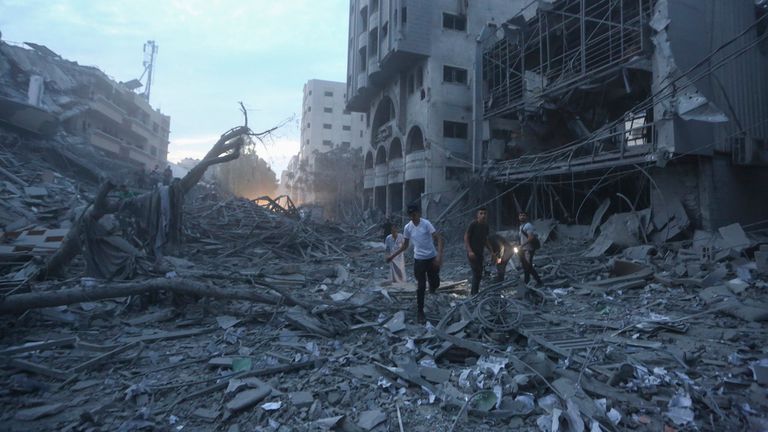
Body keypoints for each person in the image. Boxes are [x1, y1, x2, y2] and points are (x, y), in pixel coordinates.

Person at [386, 204, 443, 324]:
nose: (413, 216)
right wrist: (392, 256)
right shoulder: (408, 228)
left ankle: (433, 286)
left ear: (419, 213)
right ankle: (420, 312)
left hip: (431, 258)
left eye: (415, 214)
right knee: (421, 286)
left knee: (435, 282)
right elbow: (405, 246)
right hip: (419, 260)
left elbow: (438, 238)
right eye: (411, 215)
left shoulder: (426, 224)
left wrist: (439, 256)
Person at [464, 207, 491, 295]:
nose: (483, 215)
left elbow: (485, 240)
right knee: (476, 273)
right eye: (481, 213)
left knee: (479, 274)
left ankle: (475, 293)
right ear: (477, 215)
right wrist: (469, 251)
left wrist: (492, 251)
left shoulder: (486, 226)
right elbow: (466, 237)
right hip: (472, 253)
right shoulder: (473, 224)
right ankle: (474, 295)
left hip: (480, 253)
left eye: (485, 213)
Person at [518, 212, 543, 286]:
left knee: (528, 266)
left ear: (526, 217)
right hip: (523, 249)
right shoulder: (521, 226)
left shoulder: (528, 225)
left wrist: (522, 245)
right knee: (526, 266)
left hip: (528, 249)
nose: (522, 217)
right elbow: (522, 238)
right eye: (520, 215)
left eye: (523, 215)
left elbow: (531, 237)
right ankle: (528, 282)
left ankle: (537, 282)